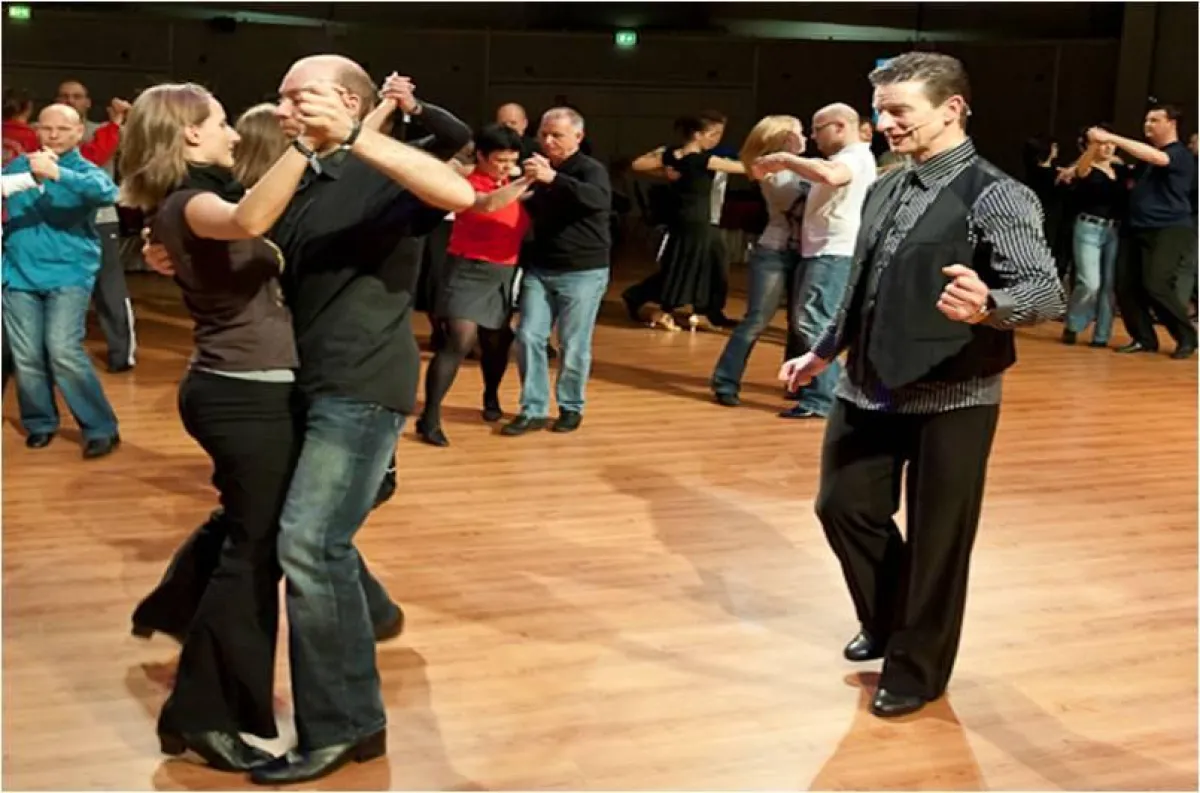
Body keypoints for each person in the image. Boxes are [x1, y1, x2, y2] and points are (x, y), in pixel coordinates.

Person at [143, 56, 474, 785]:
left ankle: (345, 726)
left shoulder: (381, 164)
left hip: (360, 384)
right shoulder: (300, 182)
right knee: (295, 535)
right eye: (281, 96)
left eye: (301, 96)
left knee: (307, 542)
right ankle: (360, 682)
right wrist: (176, 250)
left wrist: (362, 134)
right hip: (299, 386)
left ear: (347, 101)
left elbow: (460, 192)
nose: (284, 108)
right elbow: (243, 233)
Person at [780, 52, 1064, 718]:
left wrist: (991, 303)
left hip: (955, 395)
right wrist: (823, 351)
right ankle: (889, 617)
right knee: (842, 504)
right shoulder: (883, 184)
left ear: (952, 109)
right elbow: (863, 284)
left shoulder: (998, 193)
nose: (884, 123)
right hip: (869, 383)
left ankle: (917, 667)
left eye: (898, 110)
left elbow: (1046, 289)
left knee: (939, 540)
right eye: (879, 109)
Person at [119, 81, 350, 771]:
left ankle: (173, 605)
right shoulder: (193, 199)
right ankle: (198, 713)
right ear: (189, 134)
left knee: (247, 534)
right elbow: (248, 220)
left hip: (240, 389)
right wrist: (306, 145)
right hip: (241, 395)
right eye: (219, 122)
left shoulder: (188, 199)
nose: (229, 132)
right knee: (254, 553)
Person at [2, 104, 121, 458]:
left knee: (63, 350)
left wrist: (57, 174)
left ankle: (100, 427)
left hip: (69, 273)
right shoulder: (20, 166)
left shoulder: (84, 171)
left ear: (78, 131)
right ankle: (40, 422)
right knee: (26, 355)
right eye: (46, 128)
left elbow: (107, 193)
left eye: (62, 129)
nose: (53, 135)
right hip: (18, 273)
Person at [755, 104, 877, 419]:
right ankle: (822, 393)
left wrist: (785, 159)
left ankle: (825, 400)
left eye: (817, 128)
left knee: (814, 321)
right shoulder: (849, 157)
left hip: (833, 252)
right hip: (824, 250)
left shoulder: (853, 158)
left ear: (838, 126)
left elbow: (830, 175)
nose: (812, 136)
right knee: (811, 321)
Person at [417, 123, 532, 446]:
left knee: (497, 341)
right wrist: (526, 179)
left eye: (512, 160)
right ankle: (430, 416)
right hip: (468, 268)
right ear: (481, 156)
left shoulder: (510, 180)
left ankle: (491, 396)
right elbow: (489, 204)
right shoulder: (468, 183)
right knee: (459, 340)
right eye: (500, 160)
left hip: (503, 271)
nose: (507, 167)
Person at [501, 108, 611, 436]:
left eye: (557, 135)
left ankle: (570, 406)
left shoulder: (590, 170)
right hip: (541, 267)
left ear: (578, 137)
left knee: (573, 343)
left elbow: (599, 200)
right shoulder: (536, 167)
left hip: (583, 271)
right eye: (544, 134)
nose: (548, 141)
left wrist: (554, 179)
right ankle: (532, 409)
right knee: (528, 336)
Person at [711, 115, 808, 405]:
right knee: (756, 320)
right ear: (783, 138)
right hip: (774, 251)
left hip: (806, 251)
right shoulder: (770, 170)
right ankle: (725, 381)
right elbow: (795, 201)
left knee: (800, 324)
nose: (806, 138)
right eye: (800, 132)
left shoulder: (803, 167)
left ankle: (796, 382)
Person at [624, 113, 744, 330]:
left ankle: (700, 310)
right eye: (713, 134)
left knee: (692, 265)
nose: (716, 139)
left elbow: (638, 164)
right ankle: (666, 308)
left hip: (687, 219)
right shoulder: (703, 160)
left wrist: (664, 169)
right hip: (698, 221)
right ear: (697, 135)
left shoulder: (673, 155)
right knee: (688, 266)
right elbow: (744, 168)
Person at [1095, 105, 1197, 359]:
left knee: (1156, 283)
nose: (1148, 125)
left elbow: (1158, 158)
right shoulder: (1145, 160)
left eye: (1155, 120)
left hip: (1169, 228)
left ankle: (1186, 336)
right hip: (1135, 227)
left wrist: (1112, 138)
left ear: (1172, 124)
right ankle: (1143, 338)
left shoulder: (1179, 154)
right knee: (1125, 285)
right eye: (1146, 120)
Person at [1062, 124, 1128, 347]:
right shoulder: (1086, 167)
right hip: (1088, 227)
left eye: (1111, 143)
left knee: (1108, 285)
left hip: (1114, 230)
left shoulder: (1121, 170)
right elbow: (1081, 171)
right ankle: (1073, 324)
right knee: (1090, 282)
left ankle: (1101, 335)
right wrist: (1093, 144)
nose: (1107, 147)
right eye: (1103, 144)